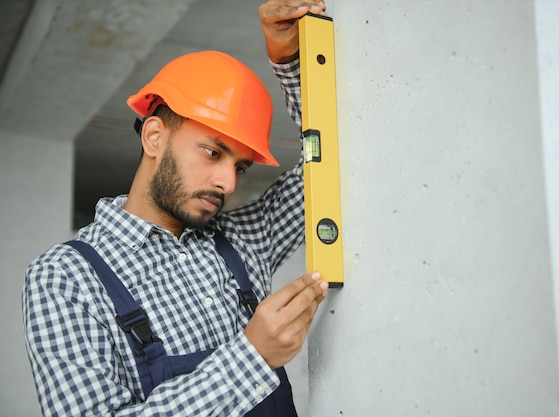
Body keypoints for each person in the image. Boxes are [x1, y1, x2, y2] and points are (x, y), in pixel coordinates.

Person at [22, 0, 329, 415]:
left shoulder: (244, 240)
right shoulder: (65, 277)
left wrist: (292, 60)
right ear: (153, 137)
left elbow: (326, 163)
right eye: (212, 152)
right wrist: (252, 357)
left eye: (239, 165)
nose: (228, 181)